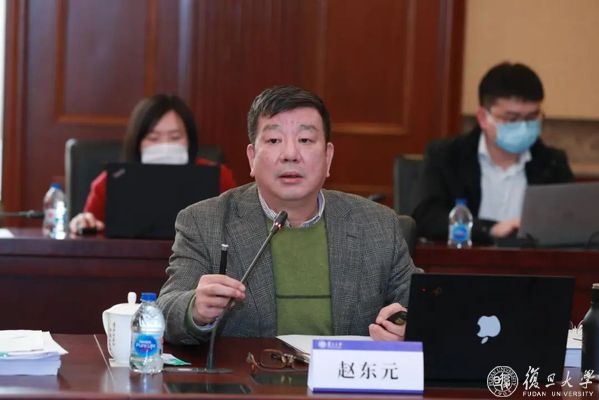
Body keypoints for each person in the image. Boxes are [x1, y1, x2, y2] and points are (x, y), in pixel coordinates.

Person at [157, 85, 421, 344]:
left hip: (344, 374)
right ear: (251, 157)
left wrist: (407, 326)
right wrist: (195, 309)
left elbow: (422, 305)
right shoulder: (204, 221)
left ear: (328, 157)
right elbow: (166, 310)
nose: (290, 154)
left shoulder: (377, 225)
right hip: (247, 373)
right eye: (274, 140)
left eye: (305, 140)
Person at [412, 62, 574, 244]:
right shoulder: (447, 156)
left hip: (533, 260)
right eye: (511, 119)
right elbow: (426, 219)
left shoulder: (552, 163)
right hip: (466, 258)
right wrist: (489, 229)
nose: (523, 127)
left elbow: (570, 223)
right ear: (483, 117)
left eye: (531, 117)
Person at [69, 94, 236, 234]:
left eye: (175, 137)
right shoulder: (110, 182)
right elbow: (88, 233)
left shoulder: (218, 177)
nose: (165, 146)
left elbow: (239, 228)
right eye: (153, 138)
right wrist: (83, 223)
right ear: (137, 142)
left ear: (189, 140)